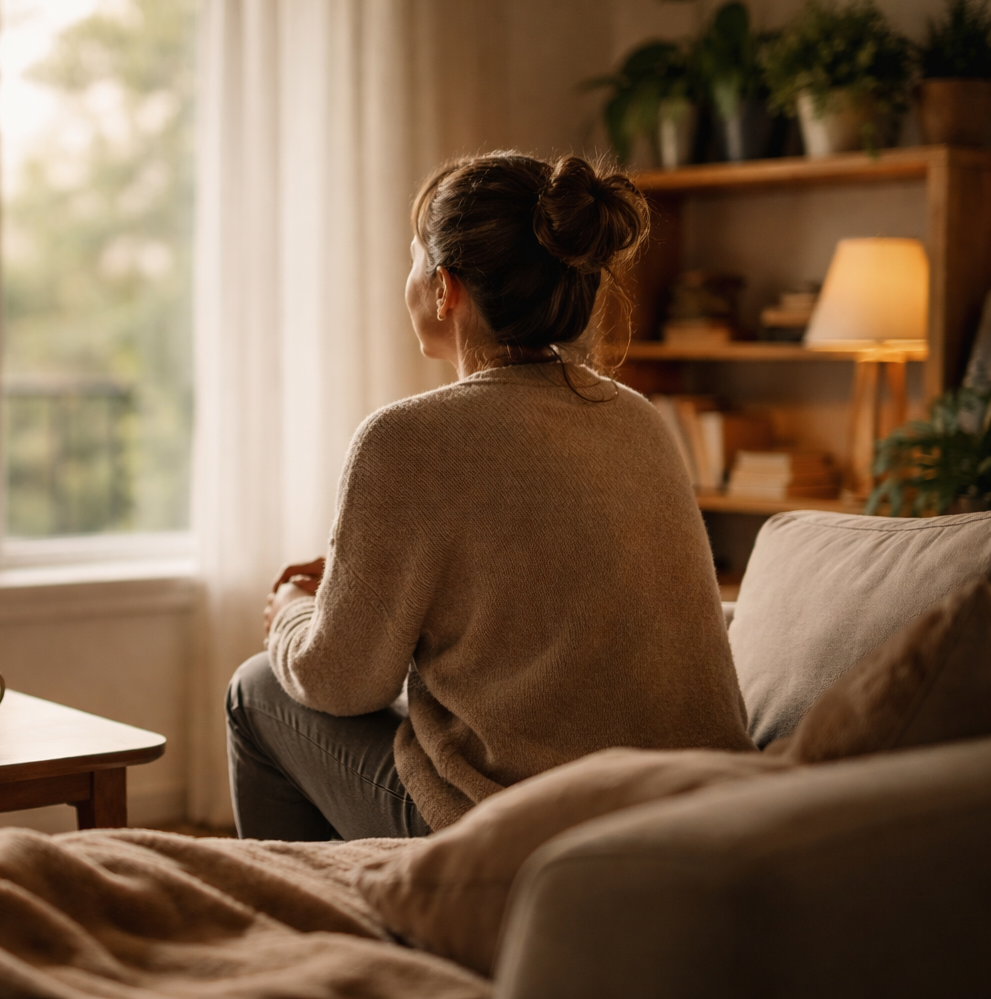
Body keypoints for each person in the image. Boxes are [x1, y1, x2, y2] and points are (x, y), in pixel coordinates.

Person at [225, 151, 754, 842]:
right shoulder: (640, 421)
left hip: (524, 832)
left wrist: (293, 613)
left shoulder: (404, 440)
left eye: (413, 258)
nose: (407, 278)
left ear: (444, 287)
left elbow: (341, 684)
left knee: (258, 687)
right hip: (700, 815)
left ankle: (313, 916)